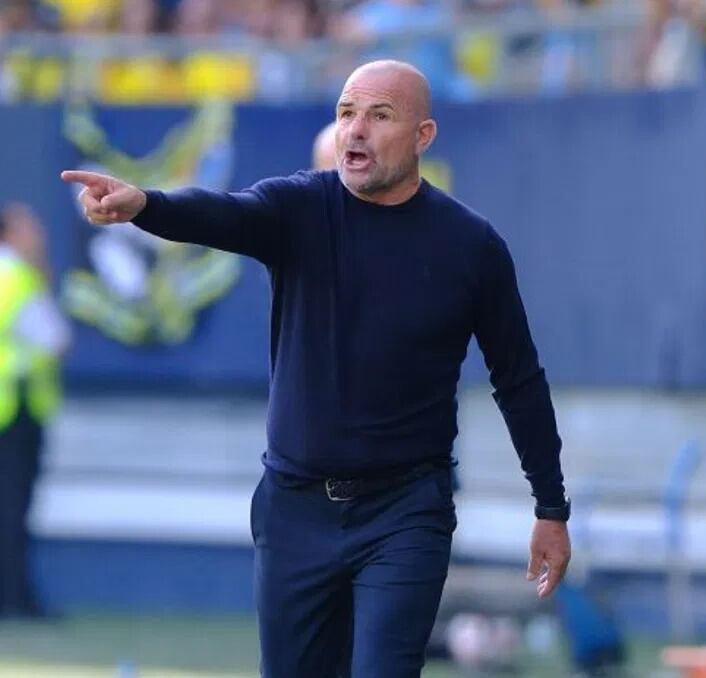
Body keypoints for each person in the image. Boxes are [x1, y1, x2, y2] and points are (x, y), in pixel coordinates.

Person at [61, 60, 572, 678]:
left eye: (379, 116)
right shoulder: (299, 207)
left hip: (405, 511)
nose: (356, 130)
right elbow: (223, 214)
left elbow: (517, 379)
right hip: (295, 511)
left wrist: (551, 506)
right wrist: (146, 204)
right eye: (346, 113)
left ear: (423, 136)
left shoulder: (471, 246)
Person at [0, 203, 70, 619]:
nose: (39, 238)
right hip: (15, 413)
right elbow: (55, 339)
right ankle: (14, 596)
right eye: (31, 230)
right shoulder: (17, 278)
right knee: (11, 509)